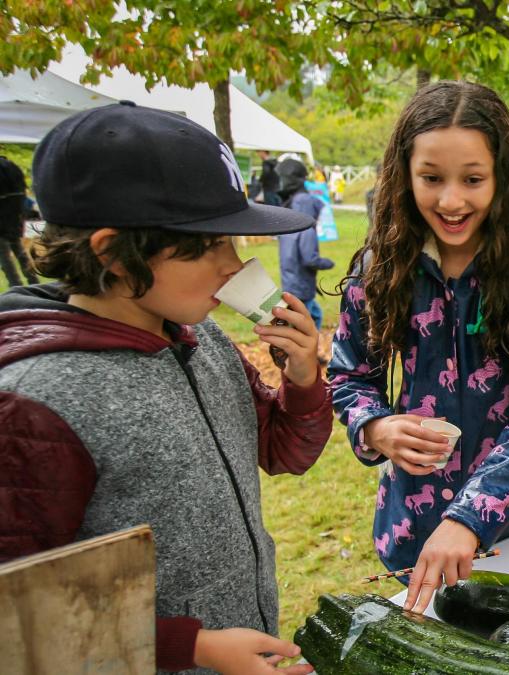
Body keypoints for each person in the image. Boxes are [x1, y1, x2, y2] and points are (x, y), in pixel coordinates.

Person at [0, 102, 332, 673]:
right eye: (207, 246)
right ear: (114, 255)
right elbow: (18, 621)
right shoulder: (33, 404)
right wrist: (192, 648)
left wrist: (302, 381)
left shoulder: (202, 339)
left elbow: (282, 454)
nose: (235, 264)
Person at [328, 81, 509, 615]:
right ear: (404, 176)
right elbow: (349, 376)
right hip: (419, 520)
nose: (451, 201)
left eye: (472, 179)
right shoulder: (379, 269)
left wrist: (470, 516)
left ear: (503, 176)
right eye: (430, 179)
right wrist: (375, 426)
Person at [276, 159, 335, 329]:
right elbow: (310, 259)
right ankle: (304, 354)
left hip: (290, 281)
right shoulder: (307, 230)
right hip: (301, 285)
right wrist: (327, 263)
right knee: (305, 324)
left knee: (314, 315)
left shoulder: (288, 223)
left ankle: (306, 351)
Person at [0, 155, 37, 287]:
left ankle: (15, 283)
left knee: (3, 253)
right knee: (18, 248)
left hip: (3, 212)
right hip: (15, 211)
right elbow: (23, 190)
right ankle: (32, 279)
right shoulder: (11, 165)